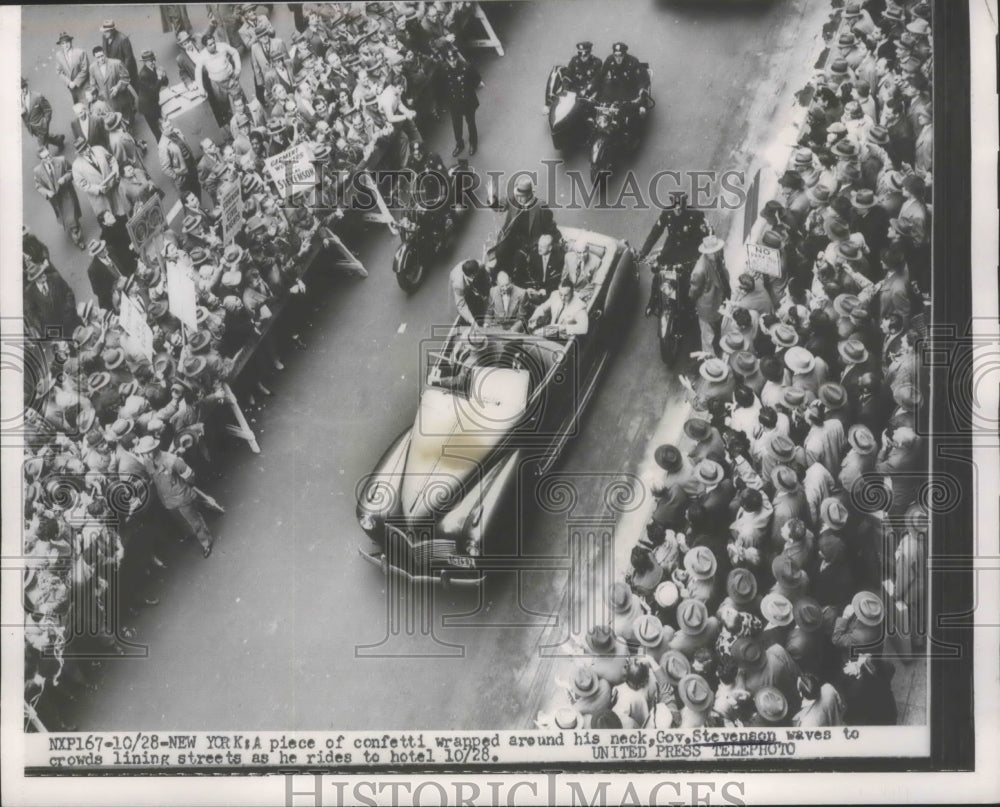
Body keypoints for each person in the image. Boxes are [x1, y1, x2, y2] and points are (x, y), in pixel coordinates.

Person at [133, 436, 216, 558]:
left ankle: (206, 542)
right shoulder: (147, 462)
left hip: (182, 497)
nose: (146, 455)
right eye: (144, 453)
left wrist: (186, 487)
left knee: (195, 521)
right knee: (182, 520)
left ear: (155, 448)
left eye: (148, 451)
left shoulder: (172, 461)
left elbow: (190, 475)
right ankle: (191, 534)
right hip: (167, 500)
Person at [491, 177, 560, 271]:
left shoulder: (541, 206)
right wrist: (492, 197)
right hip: (511, 236)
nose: (518, 198)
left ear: (529, 195)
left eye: (521, 196)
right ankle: (502, 274)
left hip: (529, 241)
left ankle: (516, 277)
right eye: (517, 195)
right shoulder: (513, 199)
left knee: (519, 259)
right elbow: (499, 208)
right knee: (500, 252)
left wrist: (556, 239)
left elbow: (550, 225)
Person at [33, 147, 84, 249]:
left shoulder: (61, 160)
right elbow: (38, 186)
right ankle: (73, 228)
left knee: (72, 218)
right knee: (63, 216)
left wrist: (64, 178)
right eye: (45, 157)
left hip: (66, 194)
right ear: (41, 160)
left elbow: (71, 171)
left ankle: (77, 239)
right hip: (55, 199)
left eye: (49, 155)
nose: (49, 158)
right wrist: (47, 192)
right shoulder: (37, 171)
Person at [436, 47, 483, 157]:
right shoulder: (443, 70)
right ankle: (459, 144)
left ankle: (473, 143)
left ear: (457, 58)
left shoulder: (466, 67)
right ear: (446, 60)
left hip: (467, 101)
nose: (452, 62)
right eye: (450, 60)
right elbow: (440, 86)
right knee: (456, 125)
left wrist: (468, 90)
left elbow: (477, 79)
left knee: (471, 123)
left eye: (454, 59)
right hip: (454, 102)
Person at [689, 234, 730, 355]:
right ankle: (709, 360)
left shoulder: (716, 259)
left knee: (717, 330)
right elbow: (694, 291)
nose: (718, 253)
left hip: (718, 301)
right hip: (708, 307)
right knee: (708, 338)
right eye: (715, 251)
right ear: (707, 253)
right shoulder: (700, 270)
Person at [71, 137, 128, 220]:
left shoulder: (99, 149)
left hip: (113, 188)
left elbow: (111, 159)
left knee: (122, 213)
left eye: (86, 147)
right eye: (82, 151)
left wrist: (115, 170)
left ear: (88, 145)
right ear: (79, 153)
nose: (86, 151)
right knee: (110, 221)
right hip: (100, 198)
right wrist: (97, 189)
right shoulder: (76, 166)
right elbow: (82, 185)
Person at [25, 259, 79, 337]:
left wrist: (70, 310)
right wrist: (42, 327)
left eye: (42, 272)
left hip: (71, 320)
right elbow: (31, 312)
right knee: (67, 347)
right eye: (39, 275)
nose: (43, 275)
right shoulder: (30, 291)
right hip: (54, 330)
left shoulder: (55, 278)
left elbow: (69, 293)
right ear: (34, 279)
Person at [198, 33, 244, 126]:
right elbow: (197, 71)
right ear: (205, 47)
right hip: (217, 84)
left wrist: (238, 69)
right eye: (210, 44)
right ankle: (233, 126)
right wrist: (200, 88)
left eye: (213, 42)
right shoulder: (202, 56)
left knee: (240, 100)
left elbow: (234, 52)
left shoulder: (222, 46)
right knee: (224, 107)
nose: (213, 45)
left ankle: (246, 119)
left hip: (231, 79)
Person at [89, 46, 135, 125]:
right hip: (107, 101)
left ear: (104, 54)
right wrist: (94, 94)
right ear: (95, 57)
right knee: (115, 123)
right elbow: (93, 84)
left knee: (128, 122)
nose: (101, 59)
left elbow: (126, 78)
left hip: (121, 99)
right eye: (98, 57)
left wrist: (117, 87)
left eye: (102, 56)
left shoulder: (116, 63)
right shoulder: (92, 68)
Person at [515, 233, 564, 306]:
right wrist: (529, 288)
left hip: (550, 289)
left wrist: (546, 290)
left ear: (550, 248)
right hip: (536, 287)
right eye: (539, 245)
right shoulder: (534, 254)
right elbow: (528, 273)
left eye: (542, 247)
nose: (539, 249)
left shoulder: (558, 258)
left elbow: (558, 280)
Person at [158, 121, 201, 200]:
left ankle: (200, 208)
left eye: (170, 124)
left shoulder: (177, 131)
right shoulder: (163, 146)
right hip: (182, 176)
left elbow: (186, 146)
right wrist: (176, 176)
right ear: (161, 130)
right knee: (188, 198)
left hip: (191, 167)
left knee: (197, 188)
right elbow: (165, 168)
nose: (170, 128)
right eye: (167, 127)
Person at [135, 50, 169, 141]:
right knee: (158, 132)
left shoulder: (153, 68)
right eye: (151, 61)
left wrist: (164, 76)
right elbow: (154, 91)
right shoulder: (143, 75)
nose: (153, 62)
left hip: (154, 103)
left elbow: (165, 83)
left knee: (164, 127)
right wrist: (159, 77)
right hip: (147, 108)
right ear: (145, 62)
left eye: (154, 59)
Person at [21, 79, 63, 150]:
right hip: (32, 128)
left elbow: (48, 110)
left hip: (42, 125)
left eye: (23, 88)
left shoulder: (37, 97)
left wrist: (45, 123)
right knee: (45, 139)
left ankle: (47, 159)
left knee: (42, 149)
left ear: (26, 86)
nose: (22, 91)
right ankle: (58, 140)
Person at [449, 259, 491, 327]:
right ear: (472, 276)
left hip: (469, 273)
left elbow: (486, 277)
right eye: (475, 276)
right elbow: (461, 305)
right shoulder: (458, 285)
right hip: (457, 277)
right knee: (466, 299)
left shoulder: (480, 265)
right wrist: (472, 320)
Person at [54, 32, 91, 103]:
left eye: (67, 42)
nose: (65, 45)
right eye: (63, 43)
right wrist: (69, 82)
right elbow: (59, 72)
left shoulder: (80, 52)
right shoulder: (58, 55)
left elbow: (85, 69)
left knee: (87, 104)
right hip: (71, 88)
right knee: (78, 108)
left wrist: (75, 82)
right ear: (60, 45)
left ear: (71, 42)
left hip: (83, 85)